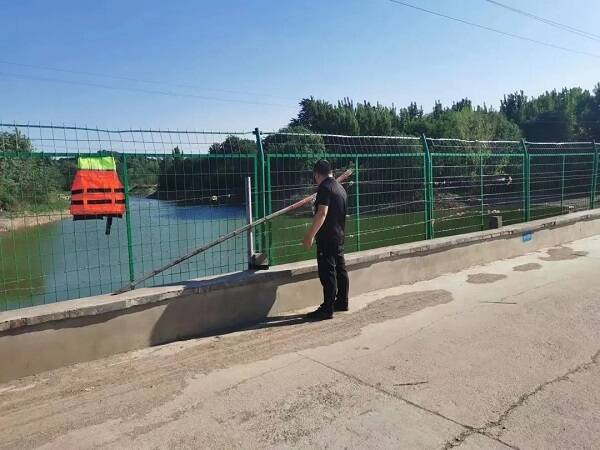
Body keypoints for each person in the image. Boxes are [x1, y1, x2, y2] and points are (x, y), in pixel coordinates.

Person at [302, 160, 349, 320]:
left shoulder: (324, 188)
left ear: (317, 175)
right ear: (331, 172)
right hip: (339, 235)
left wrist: (310, 235)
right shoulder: (340, 188)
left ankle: (327, 309)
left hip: (327, 237)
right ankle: (342, 301)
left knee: (327, 272)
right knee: (340, 269)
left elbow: (322, 213)